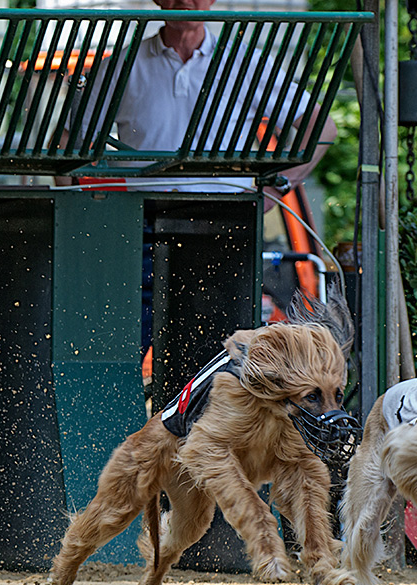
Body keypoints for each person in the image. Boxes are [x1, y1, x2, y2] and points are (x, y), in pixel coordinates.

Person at [65, 0, 339, 357]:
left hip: (224, 222)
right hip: (140, 224)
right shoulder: (121, 66)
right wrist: (93, 209)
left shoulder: (244, 63)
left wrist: (277, 187)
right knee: (121, 346)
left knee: (218, 349)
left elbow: (323, 128)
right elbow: (73, 145)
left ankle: (209, 410)